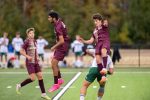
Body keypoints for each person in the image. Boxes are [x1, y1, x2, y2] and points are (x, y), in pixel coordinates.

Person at [16, 28, 50, 100]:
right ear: (28, 34)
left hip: (36, 62)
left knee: (40, 76)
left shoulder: (35, 41)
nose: (32, 34)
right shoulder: (26, 42)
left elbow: (35, 51)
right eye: (30, 33)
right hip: (29, 63)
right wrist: (27, 56)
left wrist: (38, 58)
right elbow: (21, 51)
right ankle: (19, 85)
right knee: (33, 78)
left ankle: (43, 94)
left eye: (33, 33)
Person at [80, 13, 110, 83]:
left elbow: (106, 23)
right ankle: (103, 75)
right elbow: (91, 41)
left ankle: (105, 69)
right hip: (98, 44)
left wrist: (105, 22)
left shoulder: (103, 26)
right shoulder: (95, 30)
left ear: (100, 21)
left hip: (105, 42)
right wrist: (83, 41)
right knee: (97, 59)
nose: (95, 22)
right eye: (94, 21)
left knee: (103, 51)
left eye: (96, 21)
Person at [48, 11, 70, 92]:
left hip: (62, 46)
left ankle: (56, 85)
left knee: (53, 64)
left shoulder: (58, 26)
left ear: (54, 18)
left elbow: (62, 41)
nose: (48, 19)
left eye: (49, 17)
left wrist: (53, 47)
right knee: (54, 63)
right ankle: (60, 79)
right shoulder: (59, 22)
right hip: (62, 46)